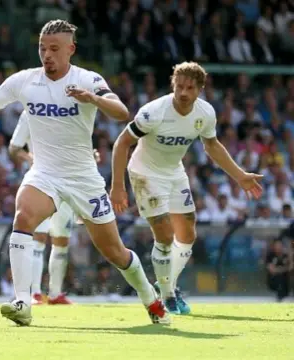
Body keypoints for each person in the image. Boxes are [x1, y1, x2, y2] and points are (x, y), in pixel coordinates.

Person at [0, 19, 169, 326]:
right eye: (43, 48)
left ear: (71, 49)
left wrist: (92, 99)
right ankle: (21, 300)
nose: (47, 54)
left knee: (115, 252)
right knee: (23, 218)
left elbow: (122, 111)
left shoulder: (88, 79)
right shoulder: (25, 81)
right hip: (44, 173)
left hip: (83, 178)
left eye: (55, 48)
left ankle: (151, 298)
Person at [110, 62, 263, 314]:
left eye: (189, 88)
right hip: (145, 173)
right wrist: (118, 186)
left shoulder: (205, 113)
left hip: (174, 172)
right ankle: (168, 296)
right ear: (173, 85)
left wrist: (240, 175)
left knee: (187, 235)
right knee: (164, 234)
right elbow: (122, 143)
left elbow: (212, 146)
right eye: (179, 86)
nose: (182, 92)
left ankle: (167, 285)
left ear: (199, 89)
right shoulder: (154, 111)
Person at [9, 110, 84, 305]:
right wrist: (29, 158)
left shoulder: (71, 111)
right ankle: (34, 293)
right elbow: (14, 147)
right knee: (39, 237)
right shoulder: (30, 112)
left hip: (68, 183)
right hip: (41, 182)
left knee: (61, 240)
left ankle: (55, 293)